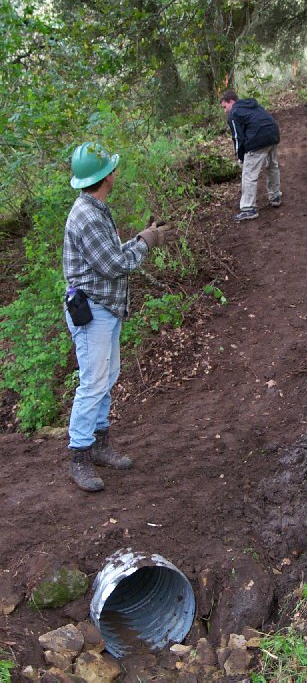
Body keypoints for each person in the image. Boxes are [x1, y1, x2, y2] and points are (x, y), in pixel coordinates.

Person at [63, 141, 174, 492]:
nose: (115, 172)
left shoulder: (96, 208)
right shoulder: (87, 216)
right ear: (106, 176)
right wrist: (146, 243)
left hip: (105, 309)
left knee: (106, 378)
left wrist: (139, 238)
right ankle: (79, 455)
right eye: (112, 168)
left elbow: (109, 256)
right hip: (93, 311)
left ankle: (99, 443)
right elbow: (114, 266)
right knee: (93, 382)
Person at [220, 89, 282, 222]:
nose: (225, 111)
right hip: (273, 133)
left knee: (249, 174)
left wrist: (241, 156)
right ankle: (275, 196)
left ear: (231, 102)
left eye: (225, 107)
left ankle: (248, 208)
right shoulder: (252, 105)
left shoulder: (234, 113)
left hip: (258, 139)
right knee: (272, 166)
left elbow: (237, 138)